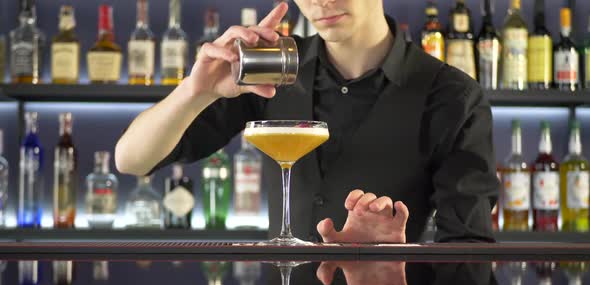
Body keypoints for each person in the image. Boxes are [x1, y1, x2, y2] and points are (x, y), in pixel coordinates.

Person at [115, 0, 498, 243]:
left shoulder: (452, 95)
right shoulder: (270, 67)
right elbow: (131, 160)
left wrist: (398, 263)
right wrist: (196, 91)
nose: (320, 2)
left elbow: (468, 253)